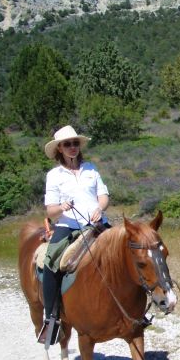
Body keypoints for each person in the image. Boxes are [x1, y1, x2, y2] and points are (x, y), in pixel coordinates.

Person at [39, 125, 110, 346]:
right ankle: (51, 320)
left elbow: (103, 195)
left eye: (75, 143)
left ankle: (134, 309)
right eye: (67, 144)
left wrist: (101, 208)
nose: (72, 147)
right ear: (59, 148)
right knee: (51, 262)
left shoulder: (91, 169)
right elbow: (50, 210)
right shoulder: (54, 175)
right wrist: (61, 207)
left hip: (98, 224)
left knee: (129, 251)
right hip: (69, 227)